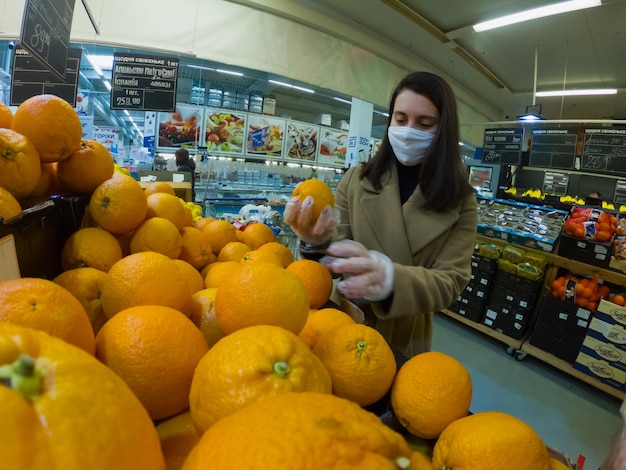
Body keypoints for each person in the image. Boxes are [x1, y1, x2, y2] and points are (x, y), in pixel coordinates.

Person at [285, 71, 478, 357]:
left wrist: (390, 280)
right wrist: (314, 242)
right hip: (342, 318)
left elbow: (451, 282)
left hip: (405, 337)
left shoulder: (461, 201)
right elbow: (332, 260)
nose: (408, 131)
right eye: (400, 120)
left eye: (424, 123)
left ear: (443, 130)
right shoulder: (355, 180)